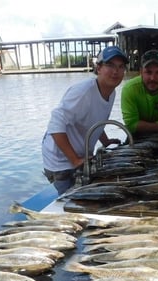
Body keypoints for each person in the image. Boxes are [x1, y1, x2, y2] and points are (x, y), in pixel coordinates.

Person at [41, 45, 128, 194]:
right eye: (110, 65)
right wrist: (74, 160)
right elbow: (55, 125)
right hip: (60, 162)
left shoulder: (111, 92)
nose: (116, 71)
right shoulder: (83, 92)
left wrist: (105, 141)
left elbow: (95, 120)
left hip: (80, 155)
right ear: (98, 68)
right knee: (71, 201)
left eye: (120, 67)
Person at [121, 49, 158, 137]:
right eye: (148, 72)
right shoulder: (129, 89)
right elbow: (131, 125)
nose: (153, 78)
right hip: (137, 138)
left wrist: (141, 125)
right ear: (141, 72)